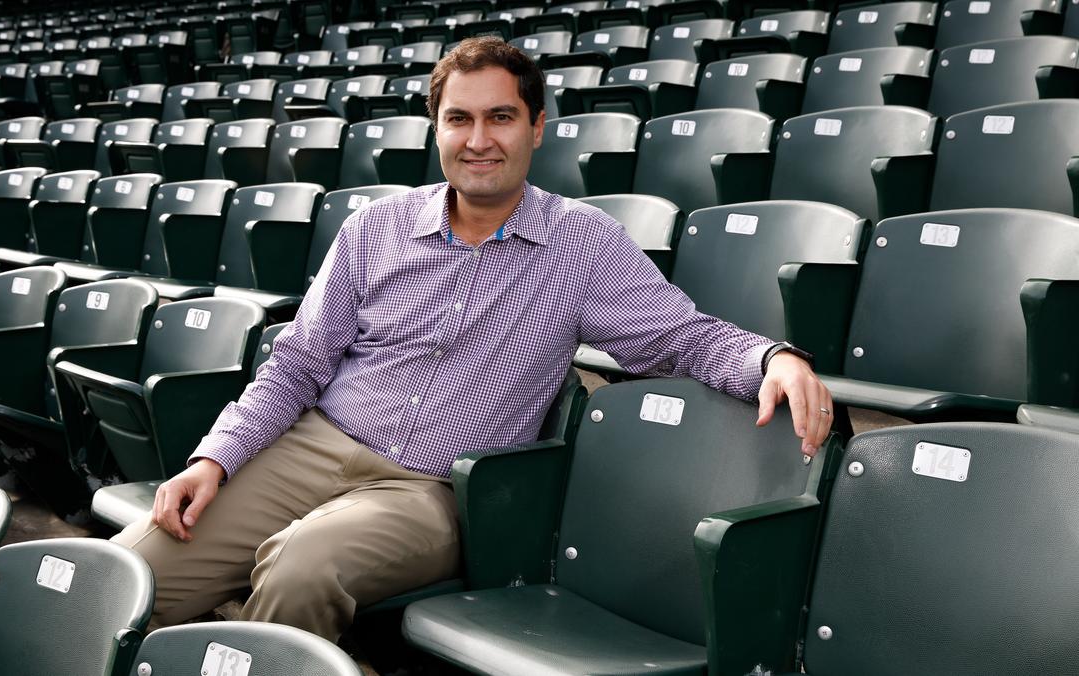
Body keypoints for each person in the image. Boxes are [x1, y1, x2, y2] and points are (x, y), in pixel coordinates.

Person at [111, 36, 834, 640]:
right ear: (436, 128)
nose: (479, 140)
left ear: (537, 127)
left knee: (303, 566)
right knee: (131, 573)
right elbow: (297, 363)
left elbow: (681, 338)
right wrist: (215, 459)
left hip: (432, 491)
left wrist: (772, 358)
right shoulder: (374, 230)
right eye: (459, 119)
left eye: (501, 118)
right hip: (311, 447)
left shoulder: (584, 247)